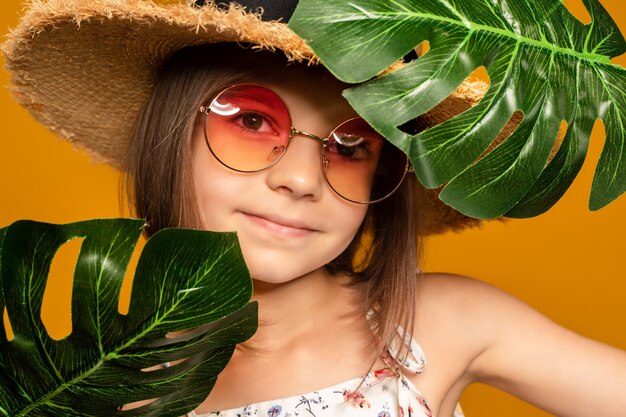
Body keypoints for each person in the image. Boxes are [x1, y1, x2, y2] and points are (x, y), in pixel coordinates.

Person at [2, 1, 626, 416]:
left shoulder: (441, 324)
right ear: (171, 134)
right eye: (251, 121)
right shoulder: (106, 380)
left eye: (352, 145)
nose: (302, 178)